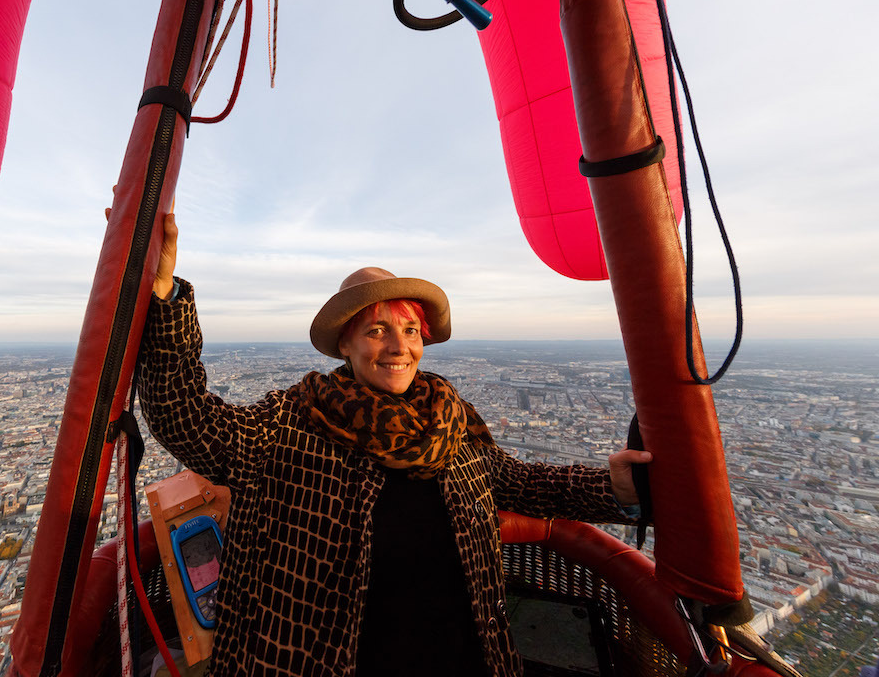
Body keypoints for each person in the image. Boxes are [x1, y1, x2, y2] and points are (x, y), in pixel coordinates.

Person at [137, 213, 651, 677]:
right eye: (377, 330)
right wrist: (165, 297)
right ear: (345, 344)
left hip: (462, 655)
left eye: (410, 329)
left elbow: (517, 482)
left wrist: (616, 488)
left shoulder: (448, 420)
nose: (398, 346)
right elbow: (188, 420)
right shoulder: (293, 421)